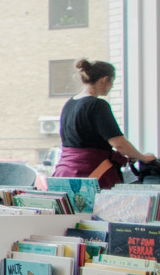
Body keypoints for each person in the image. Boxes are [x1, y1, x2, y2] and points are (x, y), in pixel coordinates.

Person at [51, 59, 155, 189]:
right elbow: (119, 143)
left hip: (65, 173)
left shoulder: (70, 104)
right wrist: (143, 157)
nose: (112, 87)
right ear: (105, 80)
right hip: (91, 174)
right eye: (112, 82)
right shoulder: (97, 105)